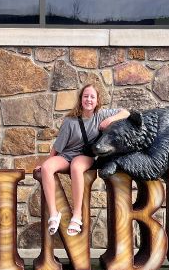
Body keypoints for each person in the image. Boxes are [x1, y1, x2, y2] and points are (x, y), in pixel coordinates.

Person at [36, 83, 129, 236]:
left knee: (77, 166)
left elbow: (125, 112)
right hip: (66, 156)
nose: (89, 100)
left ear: (97, 100)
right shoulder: (70, 121)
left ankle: (77, 215)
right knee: (47, 167)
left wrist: (110, 120)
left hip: (85, 157)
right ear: (81, 99)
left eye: (92, 96)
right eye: (86, 96)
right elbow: (58, 146)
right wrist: (47, 161)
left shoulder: (101, 115)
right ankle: (54, 214)